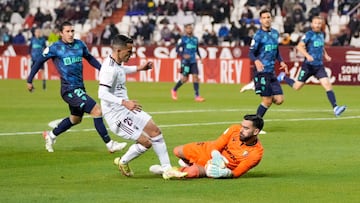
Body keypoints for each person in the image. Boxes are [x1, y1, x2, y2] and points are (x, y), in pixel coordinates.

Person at [26, 21, 127, 153]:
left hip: (79, 87)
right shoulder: (55, 48)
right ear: (61, 33)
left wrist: (102, 70)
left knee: (75, 119)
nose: (70, 34)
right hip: (69, 89)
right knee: (97, 111)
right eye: (67, 31)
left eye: (72, 31)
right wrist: (30, 80)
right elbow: (39, 60)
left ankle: (50, 136)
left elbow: (90, 58)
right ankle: (110, 144)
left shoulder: (80, 45)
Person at [98, 34, 187, 179]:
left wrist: (139, 68)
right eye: (129, 52)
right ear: (119, 51)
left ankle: (167, 169)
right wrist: (124, 102)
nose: (131, 54)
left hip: (127, 109)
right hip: (117, 117)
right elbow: (102, 93)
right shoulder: (108, 69)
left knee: (155, 131)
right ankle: (123, 161)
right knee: (146, 143)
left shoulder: (117, 64)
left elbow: (121, 70)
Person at [150, 114, 264, 179]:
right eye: (242, 126)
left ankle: (166, 171)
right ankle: (189, 163)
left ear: (256, 131)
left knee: (192, 173)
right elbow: (217, 145)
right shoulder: (234, 129)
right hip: (208, 150)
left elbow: (238, 172)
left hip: (215, 166)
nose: (241, 130)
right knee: (177, 151)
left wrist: (227, 173)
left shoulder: (256, 153)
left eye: (246, 128)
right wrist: (215, 154)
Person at [277, 16, 346, 117]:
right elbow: (299, 46)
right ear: (312, 24)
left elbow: (321, 46)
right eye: (316, 23)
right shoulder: (308, 35)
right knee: (297, 87)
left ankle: (335, 108)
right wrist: (307, 56)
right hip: (308, 67)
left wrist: (326, 55)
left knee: (327, 84)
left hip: (319, 66)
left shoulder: (322, 34)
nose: (317, 25)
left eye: (319, 23)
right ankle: (283, 77)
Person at [248, 9, 288, 118]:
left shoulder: (275, 33)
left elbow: (276, 50)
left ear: (271, 19)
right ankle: (255, 126)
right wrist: (256, 60)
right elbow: (251, 53)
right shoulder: (258, 36)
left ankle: (255, 86)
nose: (266, 20)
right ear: (260, 20)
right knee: (267, 100)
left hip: (271, 72)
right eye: (264, 18)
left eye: (268, 17)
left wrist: (282, 62)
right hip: (261, 72)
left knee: (279, 100)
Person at [171, 24, 205, 102]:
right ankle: (174, 90)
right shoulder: (183, 39)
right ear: (185, 30)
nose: (189, 29)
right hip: (185, 62)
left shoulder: (195, 39)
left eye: (190, 28)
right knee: (185, 79)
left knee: (195, 77)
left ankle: (197, 96)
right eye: (188, 28)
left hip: (193, 61)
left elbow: (197, 49)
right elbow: (177, 49)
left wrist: (200, 57)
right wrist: (183, 54)